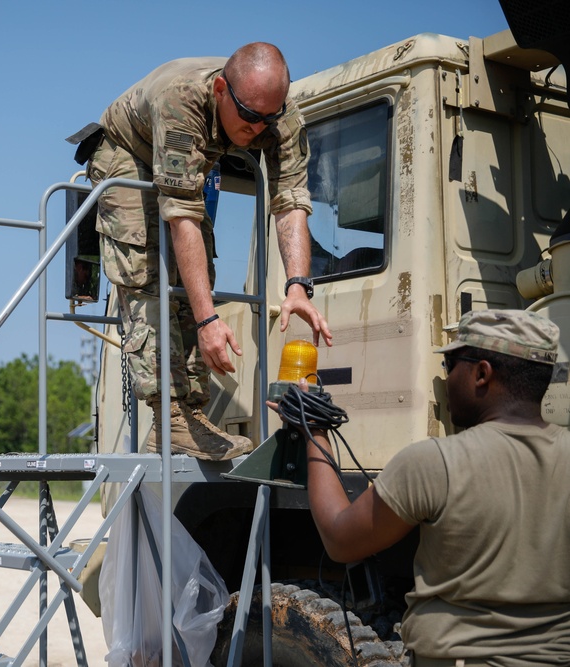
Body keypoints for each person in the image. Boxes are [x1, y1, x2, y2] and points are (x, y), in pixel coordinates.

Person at [71, 43, 333, 462]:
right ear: (220, 91)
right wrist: (208, 319)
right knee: (146, 267)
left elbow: (291, 202)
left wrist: (298, 286)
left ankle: (192, 413)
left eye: (270, 118)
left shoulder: (277, 116)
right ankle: (170, 418)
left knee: (196, 273)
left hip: (181, 165)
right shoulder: (182, 102)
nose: (258, 130)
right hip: (126, 151)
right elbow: (181, 216)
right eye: (249, 117)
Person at [283, 309, 570, 665]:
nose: (446, 379)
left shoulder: (435, 463)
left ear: (482, 373)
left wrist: (315, 430)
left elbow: (341, 541)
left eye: (451, 364)